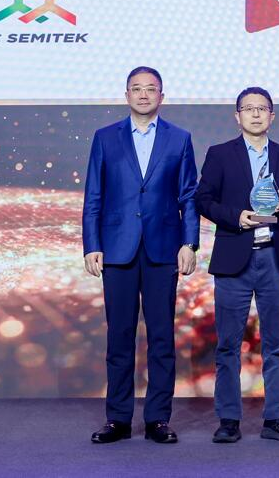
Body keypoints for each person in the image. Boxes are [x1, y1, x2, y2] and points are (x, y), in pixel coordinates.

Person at [82, 66, 199, 445]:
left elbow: (188, 196)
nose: (144, 94)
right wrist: (92, 244)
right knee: (119, 336)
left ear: (162, 96)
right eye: (137, 89)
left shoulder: (180, 139)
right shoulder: (105, 138)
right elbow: (94, 195)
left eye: (151, 89)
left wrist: (189, 243)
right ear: (126, 95)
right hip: (117, 249)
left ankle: (157, 420)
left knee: (162, 337)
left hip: (163, 249)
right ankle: (117, 419)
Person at [194, 87, 279, 444]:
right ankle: (228, 419)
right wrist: (235, 217)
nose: (256, 114)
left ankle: (277, 418)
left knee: (276, 345)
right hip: (233, 258)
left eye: (262, 109)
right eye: (248, 108)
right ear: (237, 115)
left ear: (272, 116)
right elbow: (203, 200)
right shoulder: (220, 154)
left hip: (273, 257)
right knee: (228, 344)